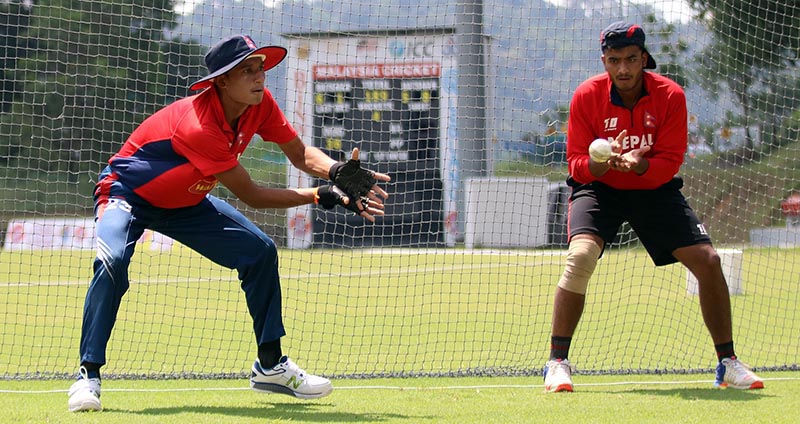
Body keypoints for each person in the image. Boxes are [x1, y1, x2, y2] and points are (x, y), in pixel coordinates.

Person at [67, 34, 391, 412]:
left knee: (259, 252)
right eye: (247, 71)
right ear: (221, 81)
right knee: (111, 264)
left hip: (185, 201)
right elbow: (251, 195)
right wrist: (319, 195)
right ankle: (87, 375)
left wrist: (334, 170)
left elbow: (301, 155)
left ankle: (270, 367)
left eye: (261, 69)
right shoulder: (198, 126)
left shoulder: (261, 104)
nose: (259, 77)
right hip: (127, 196)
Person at [542, 22, 764, 393]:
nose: (624, 69)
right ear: (605, 61)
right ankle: (557, 363)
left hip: (654, 188)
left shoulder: (670, 95)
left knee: (708, 261)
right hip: (599, 189)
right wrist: (603, 163)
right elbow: (577, 163)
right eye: (614, 61)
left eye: (631, 59)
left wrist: (639, 164)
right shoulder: (587, 95)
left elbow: (671, 160)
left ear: (645, 58)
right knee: (580, 257)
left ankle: (727, 362)